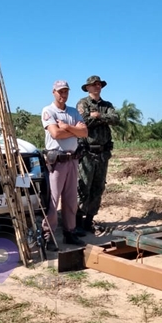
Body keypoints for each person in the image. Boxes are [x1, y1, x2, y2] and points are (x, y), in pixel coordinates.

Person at [41, 80, 88, 250]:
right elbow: (55, 133)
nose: (63, 94)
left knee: (70, 200)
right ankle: (49, 235)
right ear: (53, 92)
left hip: (73, 160)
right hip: (57, 162)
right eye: (60, 91)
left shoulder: (74, 112)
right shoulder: (48, 110)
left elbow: (84, 132)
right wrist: (73, 130)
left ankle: (70, 232)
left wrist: (67, 126)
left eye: (66, 91)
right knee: (53, 200)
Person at [75, 75, 119, 235]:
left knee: (98, 187)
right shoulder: (83, 103)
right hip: (87, 151)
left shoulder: (107, 105)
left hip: (103, 152)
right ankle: (77, 221)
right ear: (88, 88)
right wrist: (99, 119)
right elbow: (83, 122)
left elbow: (115, 118)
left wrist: (99, 116)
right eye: (93, 85)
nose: (96, 87)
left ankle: (89, 220)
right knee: (83, 187)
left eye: (98, 84)